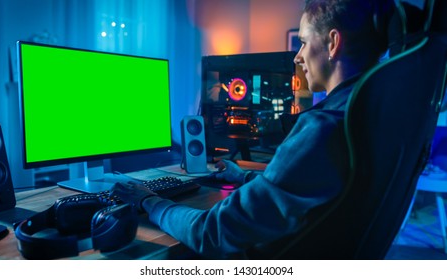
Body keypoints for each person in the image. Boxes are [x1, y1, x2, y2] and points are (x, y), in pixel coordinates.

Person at [111, 0, 395, 259]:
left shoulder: (323, 128)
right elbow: (302, 191)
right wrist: (244, 176)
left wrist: (148, 200)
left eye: (304, 42)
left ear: (333, 43)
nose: (297, 57)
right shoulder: (372, 115)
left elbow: (211, 233)